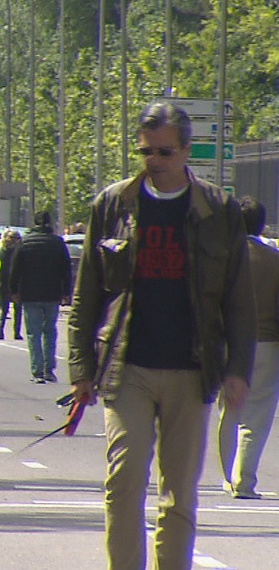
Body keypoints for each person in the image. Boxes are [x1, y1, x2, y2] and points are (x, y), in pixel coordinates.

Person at [69, 102, 255, 570]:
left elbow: (238, 302)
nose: (153, 160)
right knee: (124, 478)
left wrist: (237, 371)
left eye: (164, 152)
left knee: (179, 494)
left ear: (187, 151)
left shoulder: (219, 210)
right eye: (145, 151)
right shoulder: (113, 205)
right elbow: (86, 296)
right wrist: (80, 371)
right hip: (126, 364)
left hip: (192, 369)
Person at [217, 196, 279, 500]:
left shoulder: (222, 259)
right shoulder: (274, 259)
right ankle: (244, 479)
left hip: (227, 342)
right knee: (257, 415)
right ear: (262, 224)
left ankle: (226, 475)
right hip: (267, 343)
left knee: (228, 410)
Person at [7, 211, 72, 384]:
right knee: (50, 331)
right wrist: (66, 291)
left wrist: (13, 291)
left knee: (33, 333)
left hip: (30, 294)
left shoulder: (25, 243)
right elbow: (66, 269)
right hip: (52, 293)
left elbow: (14, 269)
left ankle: (37, 371)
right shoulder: (57, 243)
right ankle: (48, 369)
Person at [0, 230, 23, 340]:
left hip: (3, 282)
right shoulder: (20, 252)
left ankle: (0, 328)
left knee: (2, 307)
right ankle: (16, 332)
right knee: (17, 309)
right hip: (17, 283)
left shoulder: (1, 251)